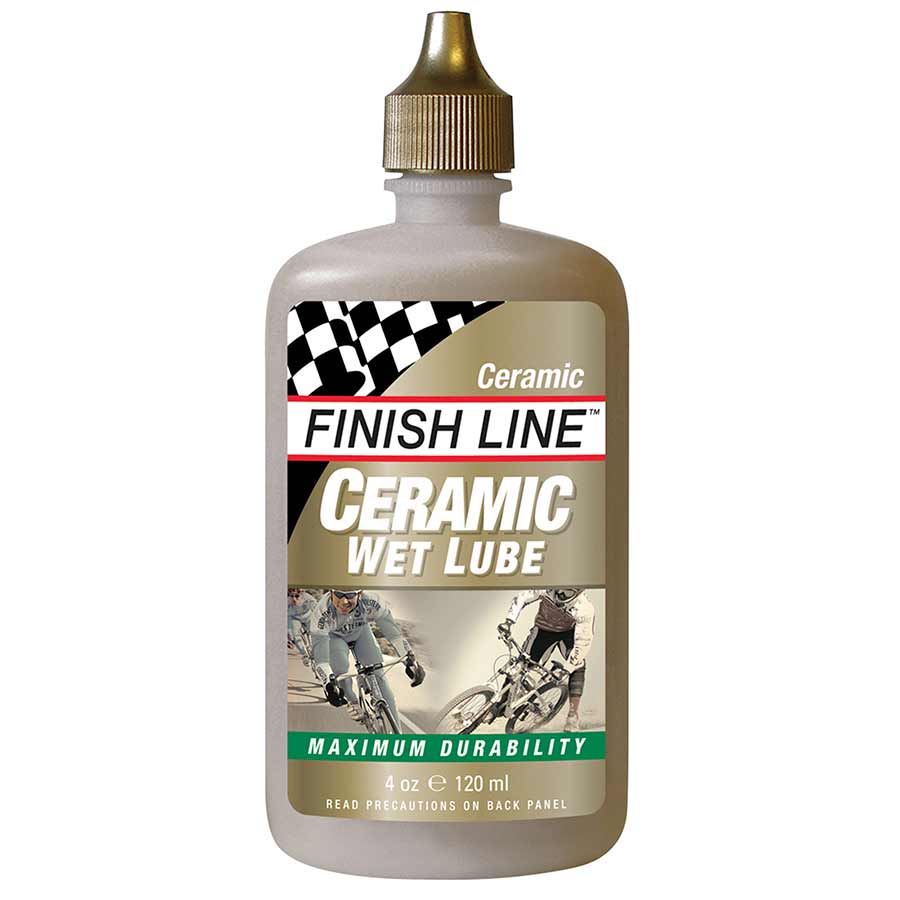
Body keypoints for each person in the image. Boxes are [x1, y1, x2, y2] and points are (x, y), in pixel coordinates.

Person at [310, 589, 424, 730]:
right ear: (331, 592)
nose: (344, 602)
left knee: (380, 677)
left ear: (360, 594)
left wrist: (411, 660)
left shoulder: (372, 601)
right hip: (335, 638)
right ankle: (353, 702)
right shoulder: (321, 613)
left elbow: (393, 633)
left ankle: (397, 736)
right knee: (340, 669)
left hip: (361, 633)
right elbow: (321, 657)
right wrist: (328, 683)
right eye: (339, 594)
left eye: (350, 595)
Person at [500, 588, 595, 732]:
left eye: (567, 593)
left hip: (568, 634)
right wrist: (509, 621)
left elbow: (583, 643)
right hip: (543, 630)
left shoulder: (585, 608)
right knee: (520, 664)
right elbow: (522, 598)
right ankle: (501, 702)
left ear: (577, 593)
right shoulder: (547, 587)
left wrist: (567, 668)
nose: (560, 594)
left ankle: (573, 714)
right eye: (560, 589)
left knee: (578, 665)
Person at [287, 588, 320, 667]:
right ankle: (304, 654)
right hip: (295, 618)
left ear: (301, 594)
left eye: (297, 596)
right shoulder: (287, 600)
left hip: (308, 616)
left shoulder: (306, 597)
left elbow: (316, 606)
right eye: (291, 596)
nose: (294, 599)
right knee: (294, 634)